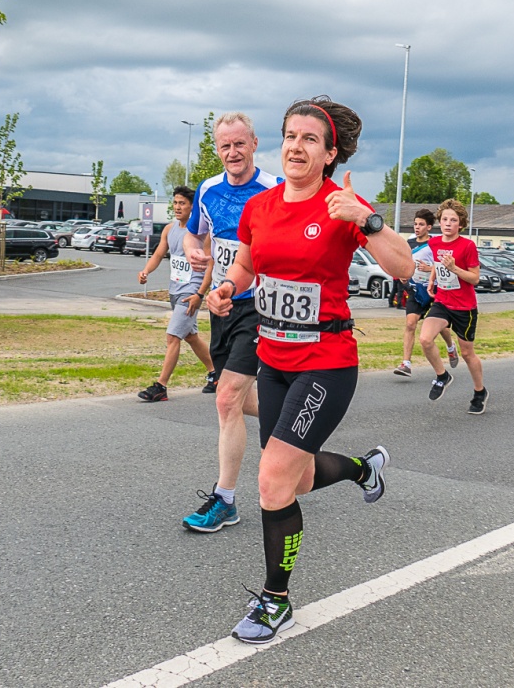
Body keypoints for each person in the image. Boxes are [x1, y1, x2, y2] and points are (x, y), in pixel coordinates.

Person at [206, 96, 414, 644]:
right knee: (294, 477)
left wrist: (365, 219)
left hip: (326, 363)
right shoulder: (262, 206)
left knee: (272, 480)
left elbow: (404, 267)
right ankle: (363, 469)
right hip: (273, 360)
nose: (296, 147)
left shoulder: (342, 205)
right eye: (290, 137)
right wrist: (229, 288)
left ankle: (276, 600)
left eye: (309, 140)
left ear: (329, 154)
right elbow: (250, 264)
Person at [181, 112, 282, 532]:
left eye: (239, 144)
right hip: (222, 304)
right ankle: (294, 425)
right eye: (225, 146)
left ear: (254, 144)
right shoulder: (207, 190)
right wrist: (191, 249)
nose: (232, 153)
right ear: (217, 149)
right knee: (238, 399)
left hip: (261, 305)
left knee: (226, 399)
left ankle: (225, 499)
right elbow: (192, 233)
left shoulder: (275, 188)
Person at [136, 186, 216, 402]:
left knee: (173, 337)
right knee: (190, 336)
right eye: (175, 203)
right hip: (175, 291)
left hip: (191, 293)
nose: (178, 207)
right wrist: (145, 271)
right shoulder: (169, 229)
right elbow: (159, 254)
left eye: (183, 203)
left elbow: (211, 266)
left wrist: (200, 294)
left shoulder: (202, 234)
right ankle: (215, 373)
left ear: (192, 207)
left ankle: (161, 386)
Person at [419, 199, 487, 414]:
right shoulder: (435, 243)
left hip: (464, 307)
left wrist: (455, 268)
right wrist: (432, 279)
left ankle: (479, 392)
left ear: (460, 224)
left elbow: (475, 278)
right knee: (425, 339)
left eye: (453, 220)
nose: (448, 223)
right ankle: (442, 376)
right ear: (440, 222)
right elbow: (438, 265)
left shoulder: (467, 246)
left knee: (467, 354)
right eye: (445, 219)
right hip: (442, 301)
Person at [392, 208, 458, 377]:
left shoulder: (436, 243)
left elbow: (443, 264)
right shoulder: (410, 243)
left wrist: (429, 269)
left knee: (439, 326)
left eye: (421, 224)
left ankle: (451, 347)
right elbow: (405, 263)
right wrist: (403, 276)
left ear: (429, 227)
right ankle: (406, 363)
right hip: (415, 289)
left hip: (434, 290)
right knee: (410, 324)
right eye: (415, 224)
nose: (417, 227)